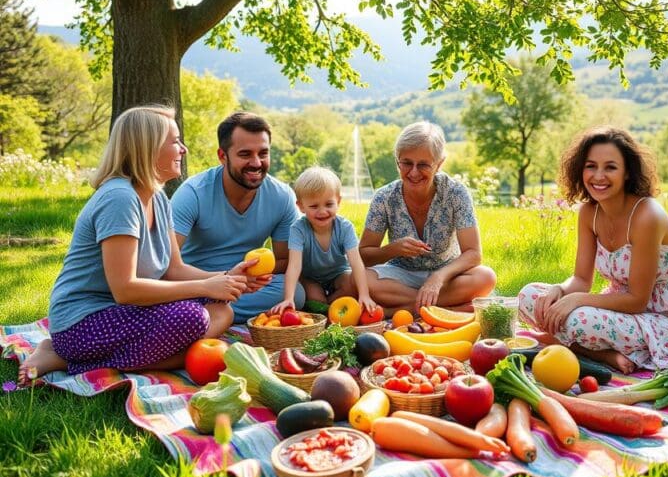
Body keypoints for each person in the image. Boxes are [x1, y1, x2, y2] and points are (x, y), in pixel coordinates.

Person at [18, 105, 255, 384]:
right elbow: (125, 290)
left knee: (222, 310)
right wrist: (204, 287)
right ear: (148, 148)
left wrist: (227, 279)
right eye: (175, 141)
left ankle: (104, 358)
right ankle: (65, 357)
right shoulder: (120, 198)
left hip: (124, 317)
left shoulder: (158, 198)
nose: (183, 149)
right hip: (81, 324)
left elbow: (174, 270)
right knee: (192, 317)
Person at [518, 126, 668, 374]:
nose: (598, 176)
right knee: (530, 297)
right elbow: (581, 280)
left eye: (610, 167)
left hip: (663, 321)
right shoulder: (589, 212)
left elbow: (638, 300)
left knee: (579, 320)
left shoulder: (647, 215)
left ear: (627, 172)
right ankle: (604, 353)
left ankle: (594, 352)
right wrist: (560, 290)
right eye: (591, 166)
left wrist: (575, 300)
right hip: (616, 311)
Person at [171, 112, 304, 323]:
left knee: (294, 291)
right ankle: (202, 313)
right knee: (172, 292)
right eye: (245, 154)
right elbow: (167, 265)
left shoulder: (281, 196)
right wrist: (223, 278)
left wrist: (249, 276)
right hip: (199, 283)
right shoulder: (192, 193)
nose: (256, 163)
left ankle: (206, 314)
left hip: (244, 288)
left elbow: (285, 260)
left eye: (263, 153)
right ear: (222, 156)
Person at [359, 121, 496, 315]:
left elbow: (473, 254)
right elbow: (364, 256)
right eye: (407, 163)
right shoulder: (384, 197)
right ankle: (446, 308)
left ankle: (398, 310)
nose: (413, 172)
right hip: (400, 275)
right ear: (397, 161)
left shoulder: (456, 193)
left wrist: (438, 278)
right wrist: (393, 249)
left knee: (486, 277)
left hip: (447, 276)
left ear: (439, 164)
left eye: (423, 164)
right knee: (358, 279)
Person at [270, 166, 377, 315]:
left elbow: (356, 262)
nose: (322, 211)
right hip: (311, 277)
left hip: (338, 274)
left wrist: (364, 294)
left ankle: (332, 306)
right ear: (301, 206)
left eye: (329, 204)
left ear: (338, 201)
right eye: (314, 206)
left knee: (351, 284)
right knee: (315, 298)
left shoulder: (345, 227)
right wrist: (288, 298)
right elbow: (294, 266)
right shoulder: (298, 229)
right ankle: (324, 307)